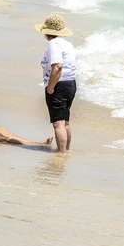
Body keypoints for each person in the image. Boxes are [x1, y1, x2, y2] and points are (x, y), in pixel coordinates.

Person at [35, 15, 77, 153]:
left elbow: (58, 66)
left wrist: (51, 87)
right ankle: (66, 150)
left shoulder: (54, 44)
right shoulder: (67, 43)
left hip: (59, 84)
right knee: (65, 122)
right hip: (71, 84)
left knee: (58, 123)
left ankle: (62, 153)